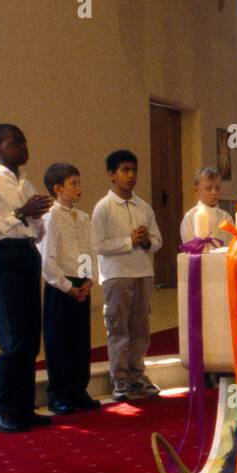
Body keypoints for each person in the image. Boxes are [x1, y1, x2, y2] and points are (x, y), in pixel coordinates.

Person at [0, 124, 53, 433]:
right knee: (13, 338)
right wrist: (20, 213)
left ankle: (22, 407)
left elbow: (37, 231)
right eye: (15, 141)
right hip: (3, 257)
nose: (23, 146)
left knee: (30, 338)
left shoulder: (27, 185)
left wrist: (36, 216)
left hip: (27, 254)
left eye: (24, 140)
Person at [93, 149, 163, 401]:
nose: (131, 175)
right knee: (119, 327)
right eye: (125, 170)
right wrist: (128, 240)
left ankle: (137, 373)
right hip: (116, 275)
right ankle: (120, 378)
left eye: (134, 170)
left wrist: (145, 242)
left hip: (142, 272)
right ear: (111, 175)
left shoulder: (143, 206)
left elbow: (158, 240)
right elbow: (98, 244)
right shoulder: (104, 208)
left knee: (140, 328)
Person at [38, 162, 100, 415]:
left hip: (80, 284)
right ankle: (59, 394)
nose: (79, 188)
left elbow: (88, 250)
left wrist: (88, 278)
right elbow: (47, 259)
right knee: (59, 341)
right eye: (73, 183)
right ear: (57, 188)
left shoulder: (82, 217)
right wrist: (66, 286)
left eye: (79, 182)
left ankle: (78, 389)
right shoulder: (49, 218)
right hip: (60, 286)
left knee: (79, 340)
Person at [179, 166, 231, 245]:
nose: (214, 192)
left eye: (217, 188)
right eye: (208, 188)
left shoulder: (226, 217)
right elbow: (190, 247)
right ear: (196, 191)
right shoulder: (190, 217)